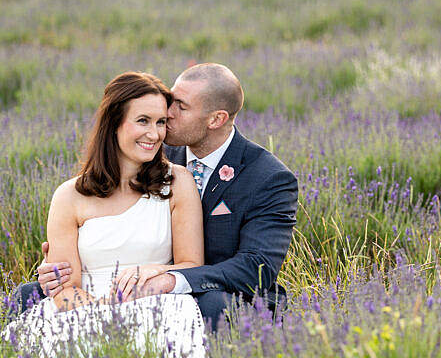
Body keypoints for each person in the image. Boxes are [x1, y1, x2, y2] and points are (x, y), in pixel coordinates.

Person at [31, 62, 298, 333]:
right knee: (27, 295)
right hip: (105, 294)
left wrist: (171, 279)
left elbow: (255, 269)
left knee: (213, 305)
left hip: (217, 294)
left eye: (179, 106)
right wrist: (57, 268)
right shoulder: (150, 152)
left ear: (216, 119)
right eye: (167, 103)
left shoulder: (267, 178)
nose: (166, 116)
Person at [2, 72, 207, 358]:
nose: (154, 134)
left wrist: (157, 271)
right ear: (114, 123)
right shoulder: (69, 196)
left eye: (161, 122)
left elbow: (192, 264)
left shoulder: (177, 182)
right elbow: (62, 287)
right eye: (143, 121)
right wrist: (104, 315)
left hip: (157, 306)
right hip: (81, 308)